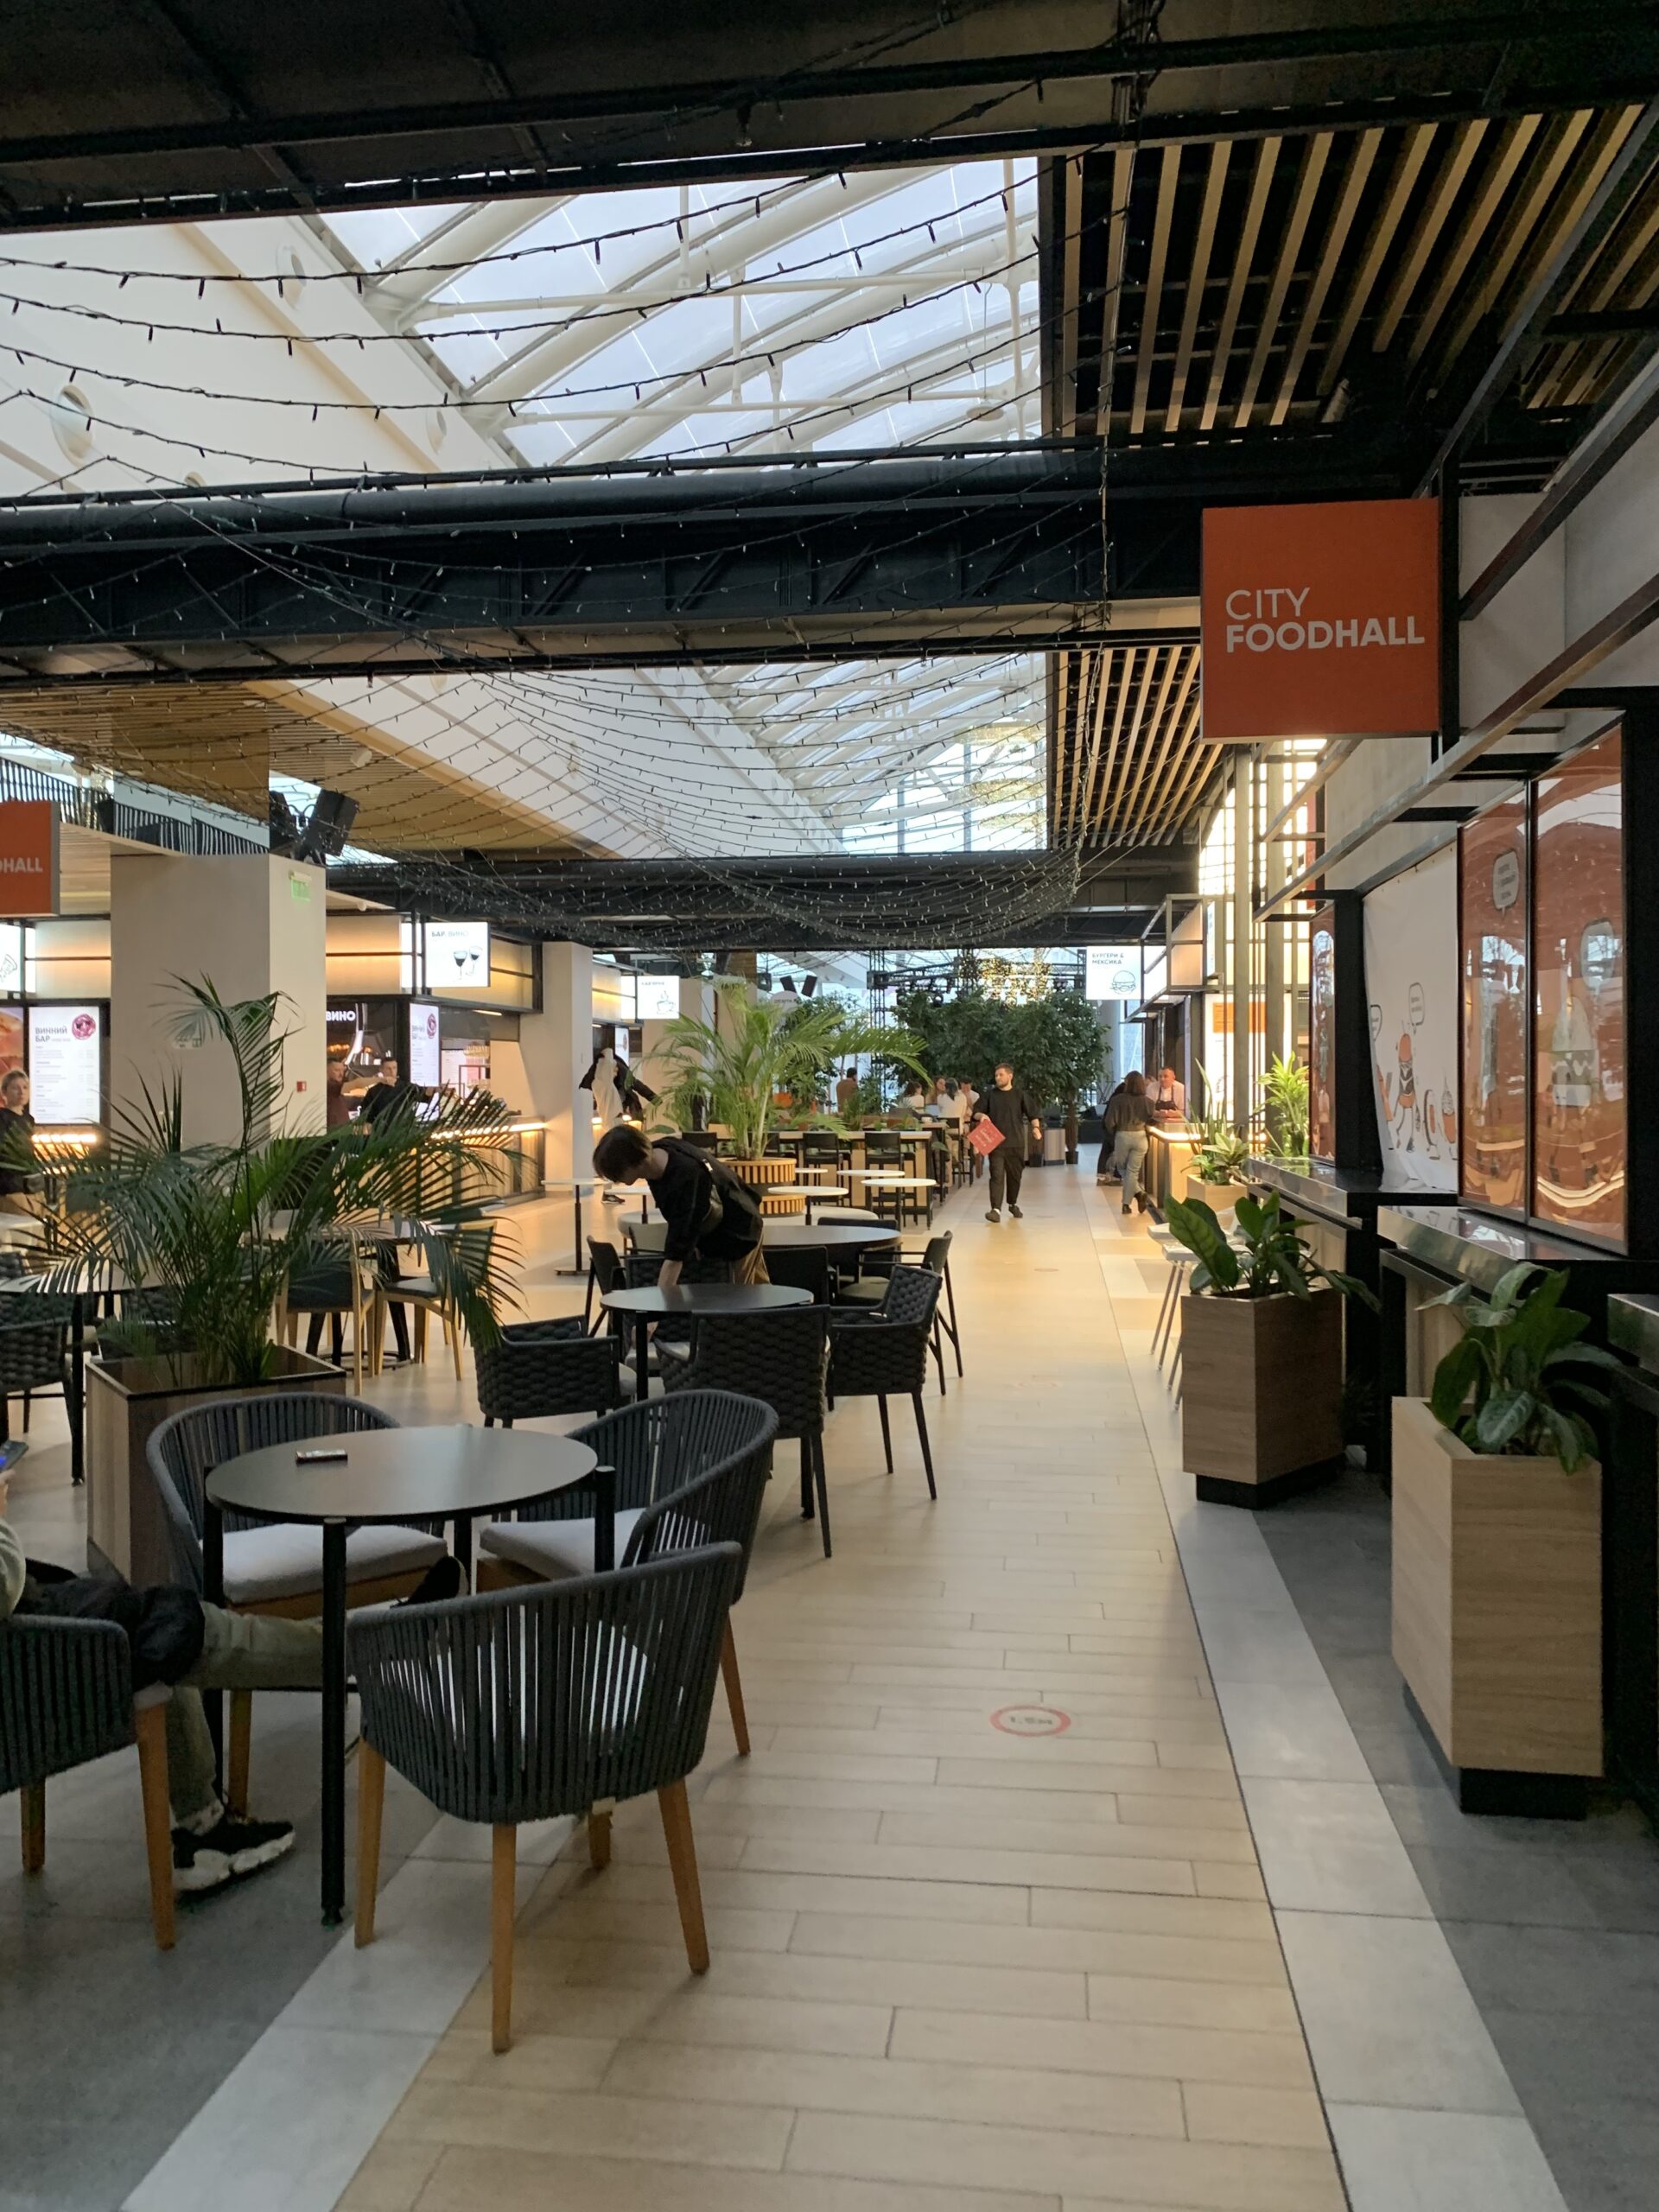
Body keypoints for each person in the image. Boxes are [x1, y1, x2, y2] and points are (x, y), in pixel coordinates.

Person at [0, 1467, 461, 1896]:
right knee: (200, 1636)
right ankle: (385, 1642)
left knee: (167, 1639)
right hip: (52, 1663)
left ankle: (203, 1826)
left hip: (44, 1645)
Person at [592, 1122, 768, 1285]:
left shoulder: (686, 1177)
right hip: (728, 1224)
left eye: (617, 1172)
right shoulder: (659, 1154)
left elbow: (676, 1254)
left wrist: (660, 1302)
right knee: (758, 1292)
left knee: (742, 1298)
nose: (615, 1179)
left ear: (636, 1161)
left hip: (739, 1231)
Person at [972, 1060, 1042, 1223]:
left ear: (1010, 1076)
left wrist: (1036, 1128)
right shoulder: (990, 1095)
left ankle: (1012, 1203)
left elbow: (1033, 1113)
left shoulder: (1020, 1095)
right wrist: (982, 1116)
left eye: (1001, 1075)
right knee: (996, 1175)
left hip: (1016, 1142)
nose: (997, 1078)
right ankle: (995, 1210)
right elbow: (976, 1111)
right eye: (996, 1075)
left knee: (1015, 1177)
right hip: (995, 1143)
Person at [1103, 1070, 1157, 1214]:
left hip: (1123, 1136)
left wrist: (1113, 1133)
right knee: (1132, 1171)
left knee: (1122, 1169)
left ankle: (1131, 1200)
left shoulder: (1117, 1100)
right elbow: (1152, 1119)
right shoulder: (1148, 1102)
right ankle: (1134, 1197)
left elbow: (1109, 1122)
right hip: (1141, 1137)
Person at [0, 1066, 40, 1215]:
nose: (21, 1092)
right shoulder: (2, 1118)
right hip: (9, 1185)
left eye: (25, 1087)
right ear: (4, 1092)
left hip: (29, 1184)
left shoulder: (29, 1119)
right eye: (15, 1088)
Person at [357, 1057, 415, 1125]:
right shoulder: (373, 1092)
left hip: (403, 1128)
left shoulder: (407, 1087)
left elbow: (424, 1095)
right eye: (388, 1069)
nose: (392, 1072)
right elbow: (366, 1116)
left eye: (394, 1068)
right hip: (381, 1129)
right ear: (381, 1070)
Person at [324, 1059, 353, 1130]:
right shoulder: (329, 1085)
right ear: (327, 1071)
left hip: (342, 1128)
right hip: (334, 1129)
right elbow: (352, 1085)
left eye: (342, 1070)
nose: (341, 1074)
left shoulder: (337, 1085)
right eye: (337, 1070)